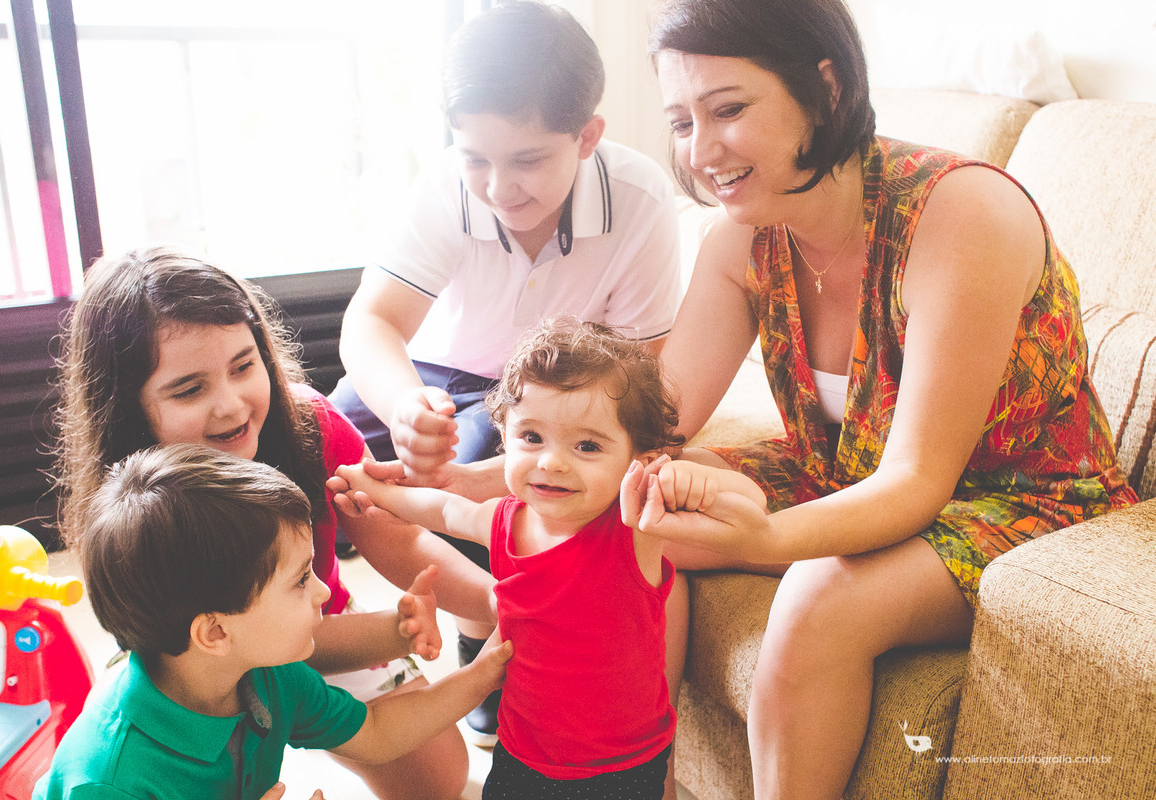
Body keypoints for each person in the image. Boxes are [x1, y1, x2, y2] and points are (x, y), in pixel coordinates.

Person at [639, 1, 1140, 798]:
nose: (700, 150)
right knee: (637, 507)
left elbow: (914, 483)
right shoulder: (744, 237)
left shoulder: (961, 212)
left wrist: (759, 541)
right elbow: (655, 419)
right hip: (842, 473)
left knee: (816, 598)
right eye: (680, 120)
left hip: (1024, 501)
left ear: (824, 88)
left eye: (728, 109)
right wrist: (487, 475)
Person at [328, 0, 682, 744]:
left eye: (527, 160)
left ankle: (495, 635)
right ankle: (316, 631)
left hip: (542, 389)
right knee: (319, 449)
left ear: (587, 137)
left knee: (478, 467)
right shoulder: (446, 187)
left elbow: (637, 386)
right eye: (476, 158)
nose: (498, 186)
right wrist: (403, 407)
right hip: (422, 367)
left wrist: (488, 447)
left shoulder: (643, 202)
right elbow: (371, 322)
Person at [51, 247, 498, 800]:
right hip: (199, 667)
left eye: (244, 365)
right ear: (128, 406)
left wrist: (500, 604)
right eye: (189, 389)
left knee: (436, 775)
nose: (232, 406)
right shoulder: (133, 519)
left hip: (311, 616)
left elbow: (399, 539)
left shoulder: (311, 426)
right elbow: (199, 656)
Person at [333, 319, 754, 799]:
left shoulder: (634, 528)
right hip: (523, 753)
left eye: (587, 446)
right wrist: (374, 491)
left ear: (641, 459)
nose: (552, 462)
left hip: (619, 768)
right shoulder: (507, 521)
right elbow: (444, 507)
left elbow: (750, 502)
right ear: (504, 436)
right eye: (532, 437)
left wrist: (698, 484)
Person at [34, 444, 511, 800]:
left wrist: (482, 672)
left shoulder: (264, 673)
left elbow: (377, 732)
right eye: (301, 579)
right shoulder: (110, 781)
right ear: (216, 632)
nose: (324, 592)